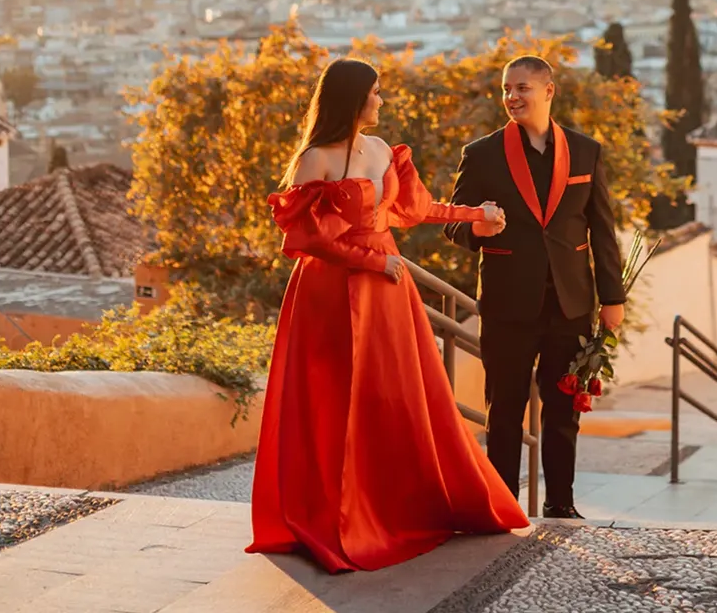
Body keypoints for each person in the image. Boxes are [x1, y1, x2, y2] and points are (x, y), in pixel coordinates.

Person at [247, 57, 528, 573]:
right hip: (332, 292)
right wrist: (376, 260)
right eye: (375, 93)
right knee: (337, 402)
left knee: (396, 395)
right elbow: (307, 239)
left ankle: (398, 505)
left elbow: (416, 209)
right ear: (353, 98)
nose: (381, 101)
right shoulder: (316, 159)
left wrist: (476, 214)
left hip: (387, 289)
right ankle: (341, 517)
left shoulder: (379, 150)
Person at [445, 55, 626, 519]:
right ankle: (503, 506)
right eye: (507, 89)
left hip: (571, 303)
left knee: (564, 412)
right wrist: (475, 231)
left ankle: (560, 504)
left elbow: (602, 231)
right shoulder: (482, 153)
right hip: (507, 303)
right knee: (503, 411)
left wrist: (613, 299)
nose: (512, 97)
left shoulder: (586, 151)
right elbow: (453, 221)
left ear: (549, 91)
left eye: (522, 88)